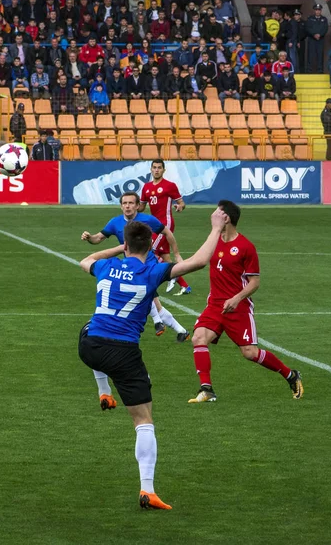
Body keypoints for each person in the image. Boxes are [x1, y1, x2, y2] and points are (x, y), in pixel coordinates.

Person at [78, 209, 227, 509]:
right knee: (143, 420)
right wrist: (215, 228)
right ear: (150, 246)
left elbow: (85, 261)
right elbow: (199, 262)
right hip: (123, 354)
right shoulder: (152, 271)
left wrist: (121, 248)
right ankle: (148, 490)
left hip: (90, 347)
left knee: (88, 327)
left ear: (127, 245)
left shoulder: (106, 266)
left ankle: (104, 391)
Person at [188, 200, 304, 404]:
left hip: (238, 307)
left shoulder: (245, 247)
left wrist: (236, 298)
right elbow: (198, 259)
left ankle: (290, 375)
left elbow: (255, 282)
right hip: (215, 305)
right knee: (198, 337)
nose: (212, 215)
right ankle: (206, 389)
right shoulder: (213, 240)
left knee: (249, 353)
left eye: (217, 212)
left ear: (227, 218)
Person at [81, 191, 190, 341]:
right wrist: (89, 238)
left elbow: (167, 233)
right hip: (131, 266)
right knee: (152, 301)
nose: (128, 206)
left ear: (138, 205)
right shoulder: (115, 222)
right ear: (120, 206)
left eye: (131, 203)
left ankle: (160, 322)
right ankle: (179, 330)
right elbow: (98, 238)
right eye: (125, 203)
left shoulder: (148, 220)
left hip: (149, 266)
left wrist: (177, 254)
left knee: (149, 298)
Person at [139, 159, 191, 296]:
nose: (156, 170)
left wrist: (180, 206)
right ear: (151, 169)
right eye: (154, 167)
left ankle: (171, 275)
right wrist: (131, 207)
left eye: (159, 168)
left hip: (165, 223)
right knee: (165, 256)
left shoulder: (170, 186)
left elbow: (181, 203)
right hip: (154, 225)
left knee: (150, 251)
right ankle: (185, 286)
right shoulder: (146, 187)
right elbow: (142, 207)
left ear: (164, 170)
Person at [306, 4, 328, 74]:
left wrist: (320, 35)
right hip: (312, 39)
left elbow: (325, 28)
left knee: (320, 54)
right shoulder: (310, 18)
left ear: (321, 11)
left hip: (320, 39)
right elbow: (307, 28)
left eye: (319, 10)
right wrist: (314, 34)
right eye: (316, 10)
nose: (317, 11)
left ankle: (320, 70)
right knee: (310, 55)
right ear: (314, 10)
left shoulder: (324, 19)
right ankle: (309, 70)